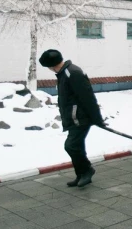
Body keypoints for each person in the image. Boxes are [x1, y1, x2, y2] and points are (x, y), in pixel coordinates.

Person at [39, 49, 105, 187]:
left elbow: (87, 96)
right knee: (76, 146)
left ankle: (87, 170)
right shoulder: (64, 73)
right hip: (73, 118)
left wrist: (97, 119)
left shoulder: (72, 73)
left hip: (80, 118)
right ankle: (81, 174)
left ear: (51, 66)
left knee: (71, 146)